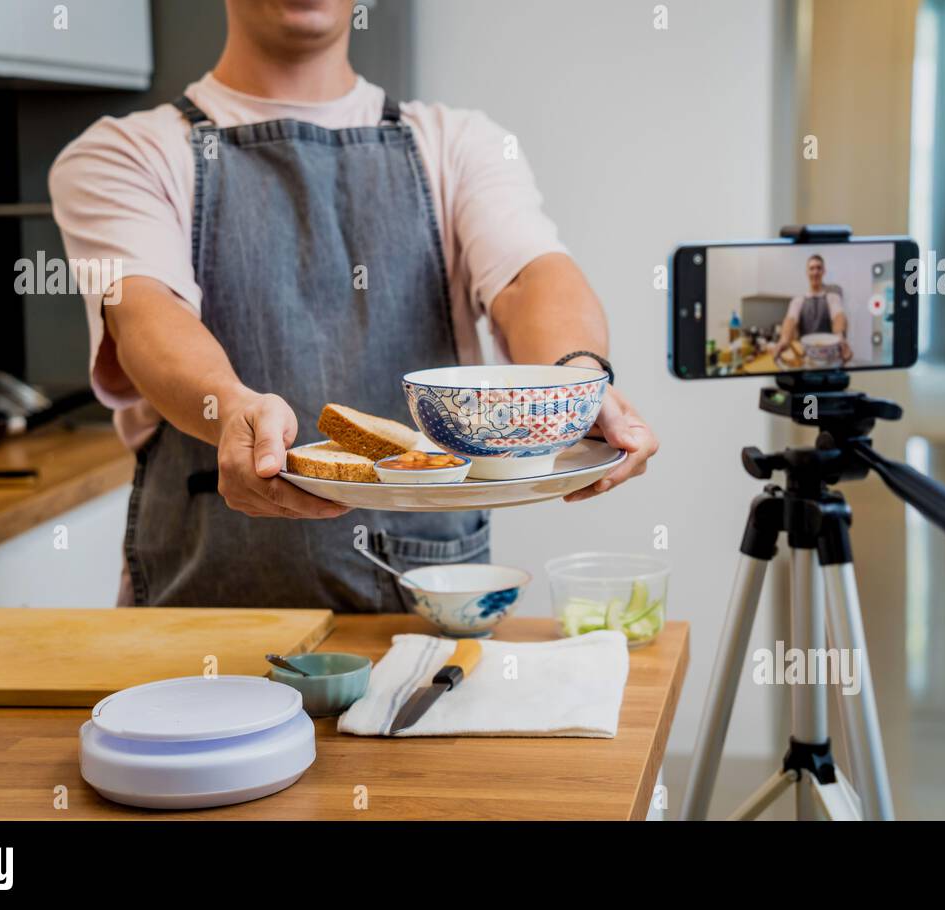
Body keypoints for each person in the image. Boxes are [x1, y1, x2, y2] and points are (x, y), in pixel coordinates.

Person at [48, 0, 658, 611]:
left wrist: (574, 376)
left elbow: (529, 279)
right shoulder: (122, 153)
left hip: (427, 626)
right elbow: (147, 311)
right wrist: (231, 410)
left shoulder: (460, 143)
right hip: (204, 623)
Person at [775, 254, 852, 362]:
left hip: (829, 358)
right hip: (806, 359)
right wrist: (784, 340)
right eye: (812, 268)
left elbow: (838, 316)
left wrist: (840, 337)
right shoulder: (798, 300)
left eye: (819, 268)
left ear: (823, 272)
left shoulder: (832, 297)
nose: (815, 272)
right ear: (807, 272)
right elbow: (790, 319)